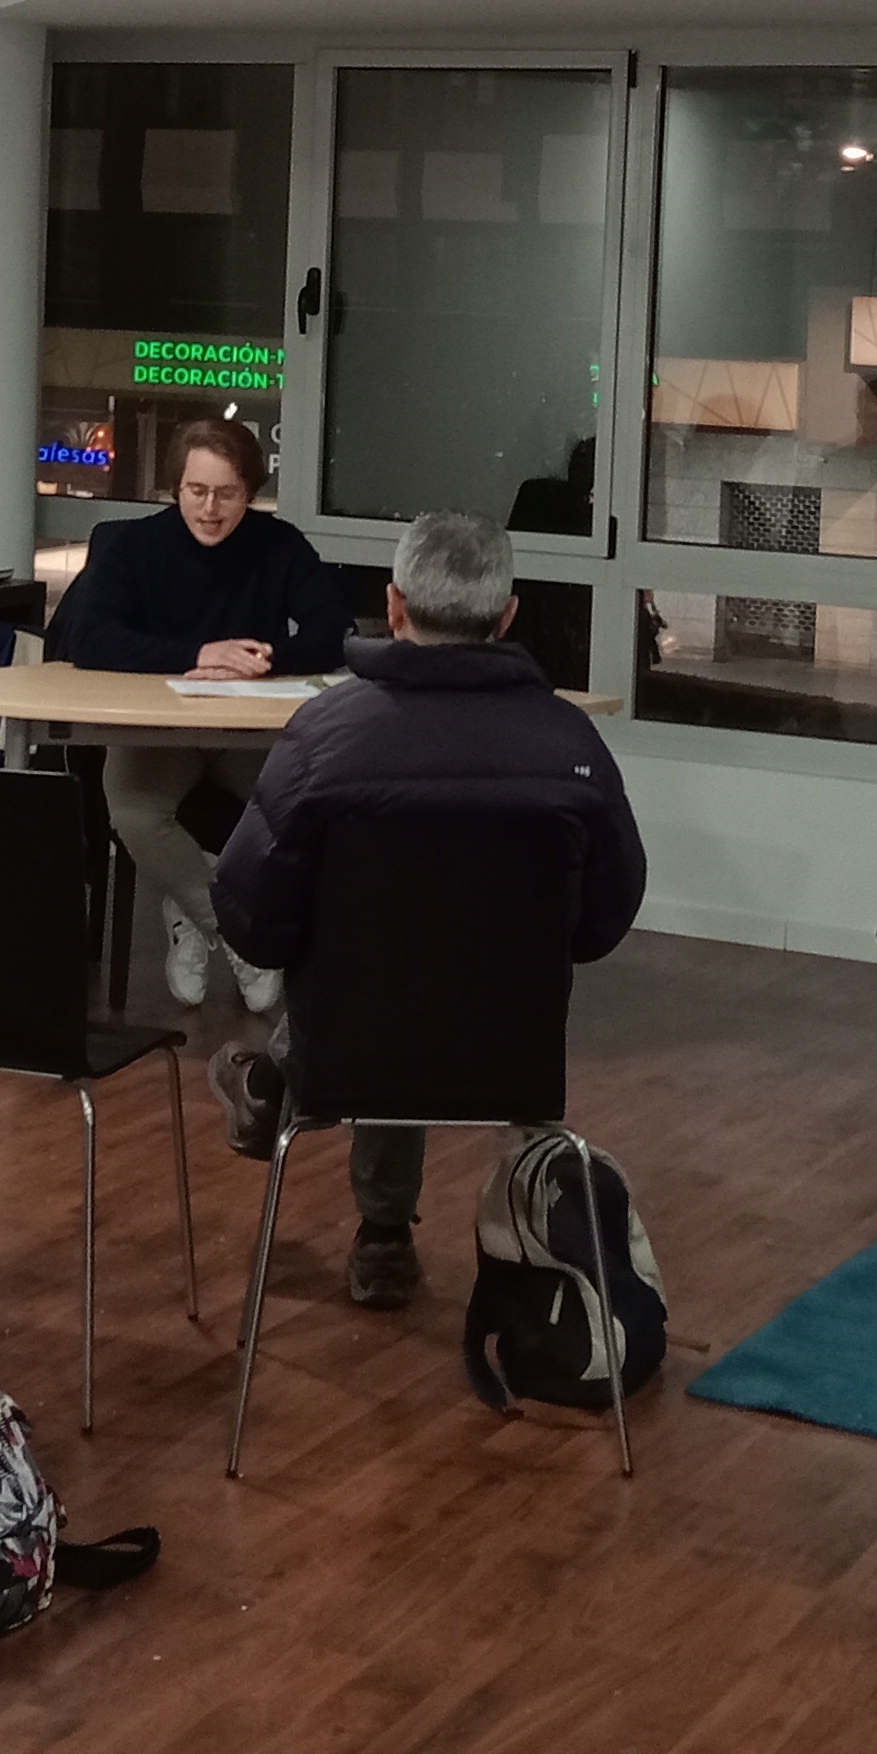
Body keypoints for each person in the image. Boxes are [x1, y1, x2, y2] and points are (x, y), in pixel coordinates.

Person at [199, 512, 646, 1310]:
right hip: (513, 1054)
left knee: (376, 980)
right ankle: (419, 1240)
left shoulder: (324, 735)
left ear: (394, 607)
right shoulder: (569, 744)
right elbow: (605, 916)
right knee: (427, 973)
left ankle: (322, 1151)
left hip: (348, 1051)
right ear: (507, 616)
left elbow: (251, 914)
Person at [45, 418, 346, 1015]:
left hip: (247, 730)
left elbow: (334, 631)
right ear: (175, 488)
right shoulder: (132, 545)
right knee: (132, 806)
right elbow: (89, 638)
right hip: (160, 729)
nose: (210, 509)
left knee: (304, 807)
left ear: (250, 492)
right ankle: (231, 931)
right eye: (196, 491)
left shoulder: (279, 545)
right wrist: (198, 654)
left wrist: (264, 658)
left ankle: (189, 904)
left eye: (227, 493)